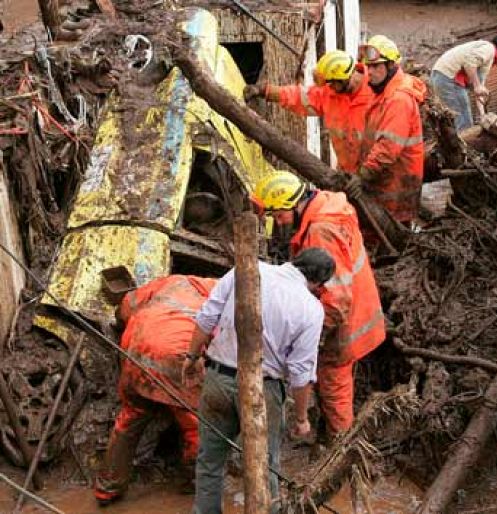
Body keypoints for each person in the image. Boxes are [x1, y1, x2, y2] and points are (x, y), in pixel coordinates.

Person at [184, 248, 334, 514]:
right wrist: (301, 418)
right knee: (264, 467)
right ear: (318, 283)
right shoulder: (311, 307)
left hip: (219, 377)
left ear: (295, 261)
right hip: (264, 390)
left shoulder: (246, 269)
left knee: (209, 460)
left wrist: (192, 356)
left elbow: (207, 316)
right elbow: (301, 371)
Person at [251, 171, 386, 438]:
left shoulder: (321, 230)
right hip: (360, 312)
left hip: (344, 326)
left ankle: (340, 454)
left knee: (336, 389)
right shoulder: (325, 205)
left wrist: (312, 335)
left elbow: (336, 298)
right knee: (333, 385)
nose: (279, 224)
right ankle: (330, 435)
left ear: (294, 204)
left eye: (279, 216)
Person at [93, 274, 217, 506]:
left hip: (135, 348)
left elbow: (126, 305)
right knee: (196, 423)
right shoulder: (220, 302)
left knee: (130, 419)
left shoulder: (173, 282)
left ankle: (107, 488)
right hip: (175, 358)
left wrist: (122, 325)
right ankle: (193, 481)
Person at [244, 50, 373, 174]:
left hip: (376, 177)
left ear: (344, 78)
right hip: (348, 174)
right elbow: (299, 97)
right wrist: (265, 91)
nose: (330, 87)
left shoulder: (377, 96)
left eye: (332, 83)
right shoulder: (332, 94)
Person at [346, 35, 426, 224]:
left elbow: (388, 148)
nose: (369, 72)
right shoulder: (383, 92)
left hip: (395, 185)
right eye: (368, 67)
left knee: (390, 234)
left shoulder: (398, 99)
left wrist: (362, 176)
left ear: (391, 66)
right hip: (386, 180)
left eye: (375, 66)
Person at [430, 35, 497, 132]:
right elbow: (470, 63)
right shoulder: (489, 49)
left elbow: (479, 91)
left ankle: (455, 142)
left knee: (455, 117)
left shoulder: (485, 57)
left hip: (441, 76)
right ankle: (465, 145)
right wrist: (477, 86)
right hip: (448, 77)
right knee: (464, 118)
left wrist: (483, 114)